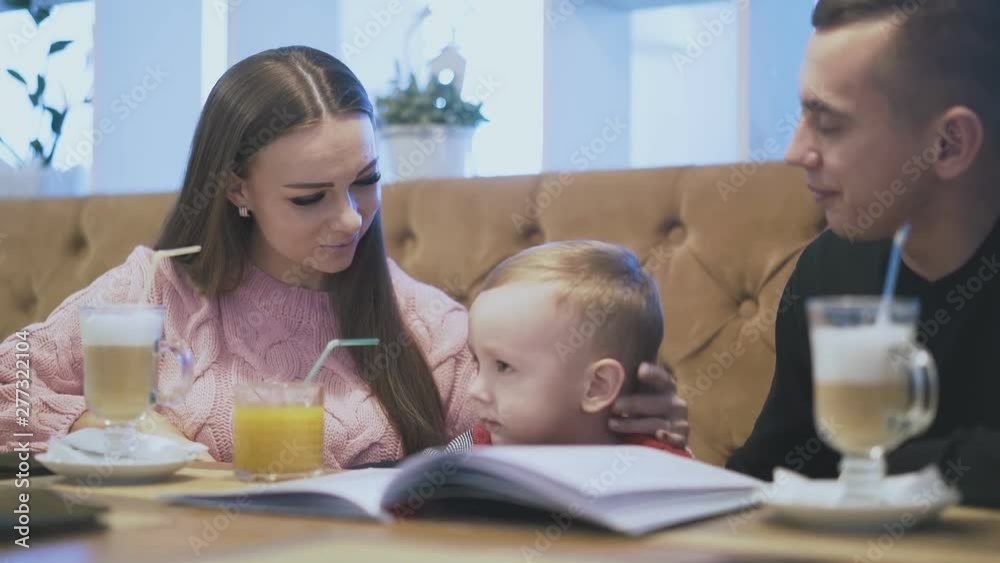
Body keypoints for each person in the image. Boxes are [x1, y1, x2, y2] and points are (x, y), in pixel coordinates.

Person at [0, 46, 686, 468]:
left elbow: (530, 441)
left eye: (366, 180)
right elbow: (11, 386)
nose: (351, 218)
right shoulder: (152, 291)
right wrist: (107, 428)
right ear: (236, 189)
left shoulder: (428, 327)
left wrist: (622, 421)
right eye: (309, 197)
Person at [726, 0, 1000, 508]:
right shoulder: (830, 270)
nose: (794, 152)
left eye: (829, 125)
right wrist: (656, 448)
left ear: (949, 144)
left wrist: (893, 470)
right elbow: (775, 472)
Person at [438, 241, 689, 458]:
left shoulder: (660, 471)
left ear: (596, 386)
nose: (475, 390)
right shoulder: (479, 443)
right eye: (477, 362)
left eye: (503, 367)